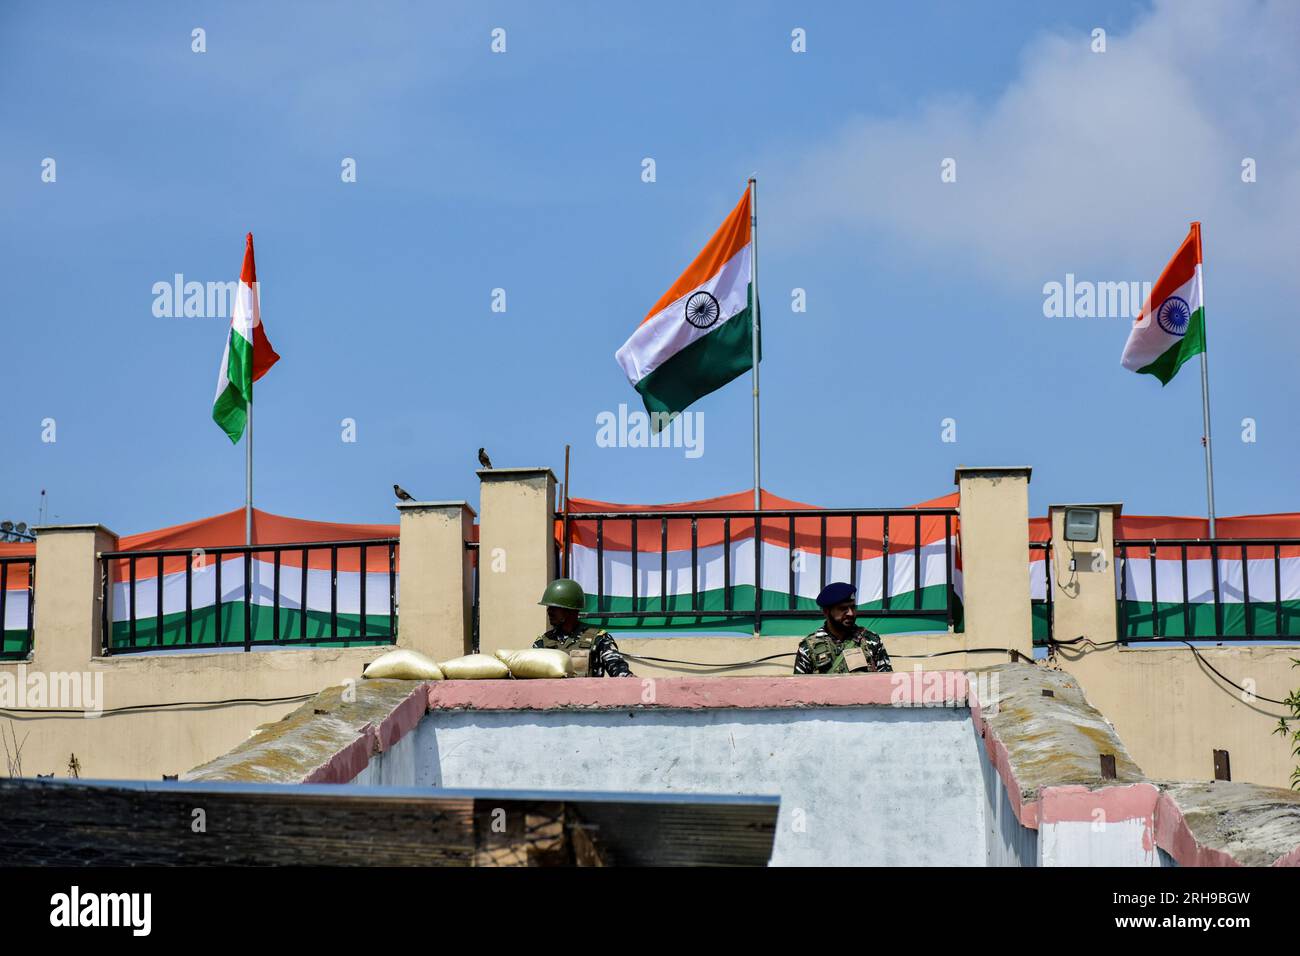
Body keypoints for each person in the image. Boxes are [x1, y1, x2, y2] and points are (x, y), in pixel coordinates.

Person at [533, 578, 634, 677]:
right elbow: (527, 673)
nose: (549, 611)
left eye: (554, 608)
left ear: (570, 610)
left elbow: (618, 668)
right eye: (549, 607)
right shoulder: (543, 643)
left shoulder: (598, 640)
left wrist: (632, 681)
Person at [793, 582, 892, 675]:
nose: (851, 613)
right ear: (826, 611)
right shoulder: (808, 647)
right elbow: (799, 688)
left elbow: (886, 682)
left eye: (853, 607)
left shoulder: (871, 640)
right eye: (843, 608)